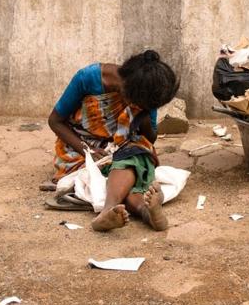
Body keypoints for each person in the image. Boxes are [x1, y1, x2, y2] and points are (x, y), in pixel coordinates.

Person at [48, 50, 179, 232]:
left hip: (123, 147)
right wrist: (88, 150)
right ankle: (128, 210)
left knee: (134, 155)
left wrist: (145, 114)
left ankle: (141, 211)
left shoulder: (147, 92)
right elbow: (55, 121)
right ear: (127, 90)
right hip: (80, 148)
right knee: (130, 172)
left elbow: (150, 138)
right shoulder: (88, 78)